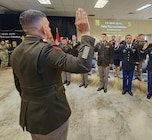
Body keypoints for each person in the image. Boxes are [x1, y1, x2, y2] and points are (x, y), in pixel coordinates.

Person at [10, 8, 95, 140]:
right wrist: (86, 34)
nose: (49, 29)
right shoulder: (47, 51)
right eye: (48, 26)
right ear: (44, 28)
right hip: (52, 116)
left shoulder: (16, 52)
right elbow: (82, 64)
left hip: (31, 116)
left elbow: (18, 85)